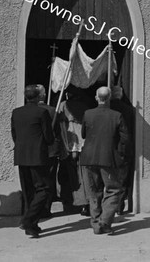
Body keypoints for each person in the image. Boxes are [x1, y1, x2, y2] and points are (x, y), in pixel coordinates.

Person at [81, 86, 130, 234]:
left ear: (97, 98)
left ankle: (97, 223)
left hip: (89, 158)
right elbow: (125, 139)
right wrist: (120, 154)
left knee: (94, 191)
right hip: (109, 158)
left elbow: (83, 134)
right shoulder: (117, 115)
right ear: (109, 98)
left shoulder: (88, 114)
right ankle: (105, 220)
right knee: (113, 189)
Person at [11, 85, 55, 238]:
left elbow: (14, 134)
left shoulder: (16, 112)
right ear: (37, 97)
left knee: (28, 190)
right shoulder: (41, 112)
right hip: (38, 156)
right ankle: (29, 220)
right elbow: (49, 137)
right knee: (44, 189)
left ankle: (32, 225)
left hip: (22, 156)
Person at [58, 87, 97, 216]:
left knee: (72, 175)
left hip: (70, 142)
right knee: (83, 175)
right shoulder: (84, 107)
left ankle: (75, 202)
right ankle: (84, 203)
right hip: (81, 143)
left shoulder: (63, 105)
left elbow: (60, 124)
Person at [35, 85, 72, 216]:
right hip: (50, 150)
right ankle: (46, 208)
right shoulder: (52, 111)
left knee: (37, 180)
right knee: (49, 180)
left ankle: (36, 208)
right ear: (43, 96)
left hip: (35, 151)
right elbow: (58, 131)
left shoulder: (48, 110)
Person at [110, 85, 135, 215]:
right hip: (123, 150)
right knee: (121, 179)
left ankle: (108, 206)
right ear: (120, 95)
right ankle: (118, 206)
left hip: (108, 149)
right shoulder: (128, 110)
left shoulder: (107, 109)